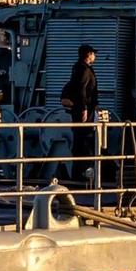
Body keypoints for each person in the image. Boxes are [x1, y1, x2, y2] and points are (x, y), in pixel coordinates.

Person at [60, 43, 101, 174]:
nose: (95, 56)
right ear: (88, 55)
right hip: (83, 109)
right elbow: (82, 90)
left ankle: (80, 170)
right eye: (93, 53)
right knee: (83, 138)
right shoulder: (84, 70)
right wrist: (84, 108)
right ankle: (81, 170)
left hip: (84, 108)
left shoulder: (79, 68)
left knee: (82, 138)